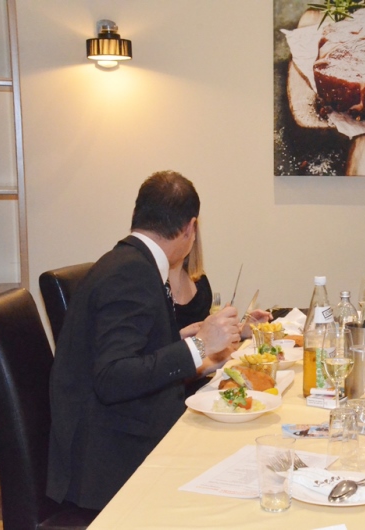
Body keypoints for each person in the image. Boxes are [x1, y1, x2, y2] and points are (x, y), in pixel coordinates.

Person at [47, 170, 242, 511]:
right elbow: (112, 377)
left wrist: (178, 340)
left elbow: (123, 350)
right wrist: (199, 346)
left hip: (113, 437)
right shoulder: (132, 272)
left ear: (138, 213)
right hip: (108, 462)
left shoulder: (128, 261)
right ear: (190, 228)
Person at [168, 225, 270, 395]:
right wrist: (211, 363)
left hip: (206, 387)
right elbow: (160, 369)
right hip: (177, 396)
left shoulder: (199, 281)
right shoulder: (153, 288)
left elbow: (207, 337)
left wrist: (241, 330)